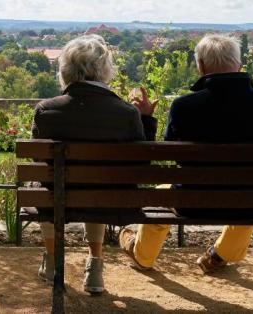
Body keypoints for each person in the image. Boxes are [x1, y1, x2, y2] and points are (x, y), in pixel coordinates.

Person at [119, 34, 253, 274]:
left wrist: (145, 119)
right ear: (238, 65)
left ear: (201, 67)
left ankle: (142, 253)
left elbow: (167, 150)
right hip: (252, 201)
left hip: (192, 202)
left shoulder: (184, 106)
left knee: (159, 195)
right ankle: (219, 256)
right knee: (250, 191)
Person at [31, 34, 158, 294]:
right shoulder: (126, 113)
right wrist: (146, 120)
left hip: (59, 198)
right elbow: (143, 163)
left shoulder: (46, 110)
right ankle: (95, 267)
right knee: (99, 184)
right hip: (111, 200)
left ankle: (55, 263)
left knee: (46, 184)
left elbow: (39, 161)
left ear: (65, 70)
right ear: (104, 70)